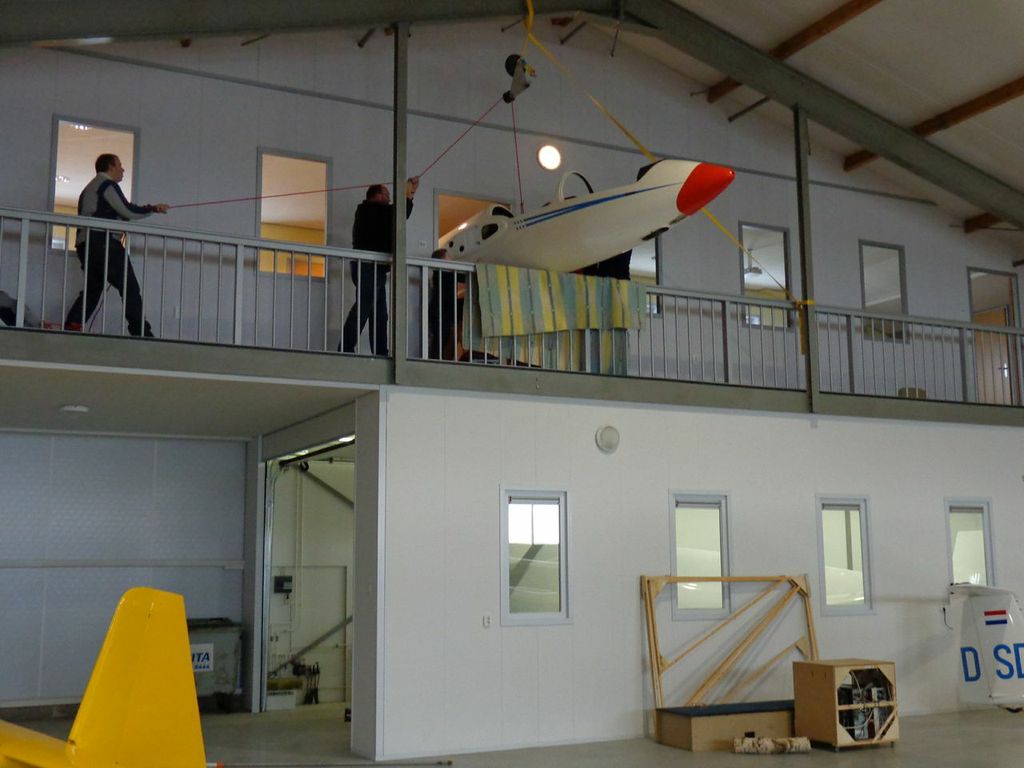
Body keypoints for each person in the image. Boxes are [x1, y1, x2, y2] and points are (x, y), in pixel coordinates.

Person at [64, 153, 168, 337]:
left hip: (86, 244)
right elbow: (127, 210)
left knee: (93, 289)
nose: (123, 169)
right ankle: (141, 332)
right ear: (111, 166)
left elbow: (112, 212)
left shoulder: (90, 188)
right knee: (130, 288)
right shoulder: (106, 185)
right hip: (103, 243)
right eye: (120, 165)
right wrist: (153, 208)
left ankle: (72, 325)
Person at [341, 176, 419, 354]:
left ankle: (380, 352)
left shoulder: (371, 211)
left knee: (379, 313)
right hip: (368, 266)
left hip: (373, 267)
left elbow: (398, 213)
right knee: (365, 306)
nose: (389, 198)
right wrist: (408, 194)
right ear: (377, 195)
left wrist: (410, 193)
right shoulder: (369, 210)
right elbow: (399, 214)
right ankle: (346, 348)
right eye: (387, 194)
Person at [427, 248, 466, 360]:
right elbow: (463, 277)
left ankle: (436, 360)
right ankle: (435, 361)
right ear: (442, 261)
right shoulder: (444, 273)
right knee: (440, 339)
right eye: (448, 257)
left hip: (441, 310)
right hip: (440, 311)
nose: (451, 260)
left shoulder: (441, 274)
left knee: (442, 338)